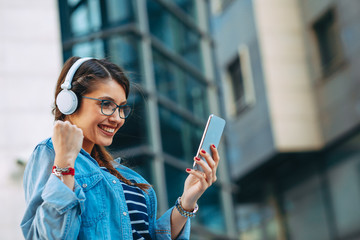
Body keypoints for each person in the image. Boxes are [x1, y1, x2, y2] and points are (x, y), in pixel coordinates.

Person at [20, 57, 220, 239]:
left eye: (122, 107)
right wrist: (64, 164)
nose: (117, 118)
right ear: (69, 102)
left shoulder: (126, 176)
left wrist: (186, 202)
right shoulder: (51, 153)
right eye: (106, 104)